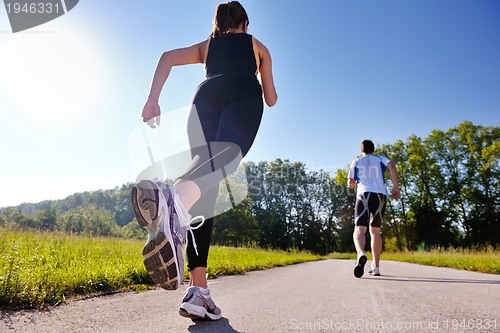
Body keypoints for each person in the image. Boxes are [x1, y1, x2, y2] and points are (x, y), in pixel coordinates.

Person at [130, 1, 277, 321]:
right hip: (242, 92)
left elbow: (167, 57)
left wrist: (152, 99)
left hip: (203, 98)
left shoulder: (207, 47)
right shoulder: (256, 45)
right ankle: (173, 201)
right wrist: (261, 69)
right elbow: (271, 97)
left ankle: (199, 291)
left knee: (205, 191)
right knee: (228, 156)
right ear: (245, 22)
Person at [347, 139, 400, 278]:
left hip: (364, 194)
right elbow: (392, 167)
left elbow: (351, 183)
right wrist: (396, 187)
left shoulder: (356, 162)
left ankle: (361, 253)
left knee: (359, 228)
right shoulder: (381, 159)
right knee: (375, 231)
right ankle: (375, 267)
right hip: (380, 195)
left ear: (362, 149)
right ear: (373, 149)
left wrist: (351, 184)